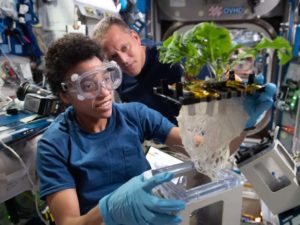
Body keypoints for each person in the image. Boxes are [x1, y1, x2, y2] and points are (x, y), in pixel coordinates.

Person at [36, 33, 186, 225]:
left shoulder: (135, 115)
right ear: (65, 95)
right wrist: (109, 209)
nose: (106, 92)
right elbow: (68, 222)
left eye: (106, 78)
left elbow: (197, 147)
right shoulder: (54, 146)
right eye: (89, 85)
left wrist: (232, 121)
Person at [92, 16, 183, 125]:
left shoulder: (171, 60)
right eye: (114, 56)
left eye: (125, 48)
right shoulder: (118, 78)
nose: (124, 60)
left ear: (136, 38)